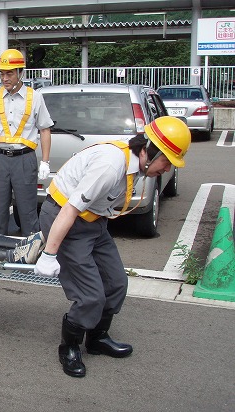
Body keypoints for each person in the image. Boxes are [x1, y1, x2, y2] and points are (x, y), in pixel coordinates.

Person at [34, 116, 191, 378]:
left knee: (116, 283)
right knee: (90, 295)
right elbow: (70, 209)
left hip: (94, 221)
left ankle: (97, 338)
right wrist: (50, 254)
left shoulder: (135, 164)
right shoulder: (110, 166)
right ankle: (69, 346)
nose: (166, 170)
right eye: (166, 162)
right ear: (149, 151)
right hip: (65, 218)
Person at [0, 49, 53, 236]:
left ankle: (31, 248)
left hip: (24, 159)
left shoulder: (35, 97)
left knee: (27, 211)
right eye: (2, 73)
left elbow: (45, 129)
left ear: (20, 73)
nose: (5, 78)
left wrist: (45, 161)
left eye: (9, 73)